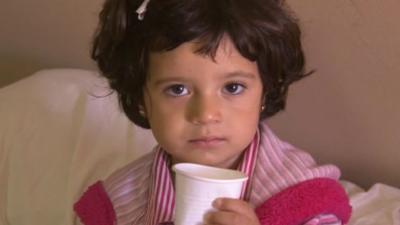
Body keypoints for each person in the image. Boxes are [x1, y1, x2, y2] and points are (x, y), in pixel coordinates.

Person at [74, 0, 352, 224]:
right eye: (177, 90)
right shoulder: (117, 205)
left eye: (232, 87)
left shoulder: (304, 196)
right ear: (140, 101)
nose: (206, 114)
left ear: (265, 90)